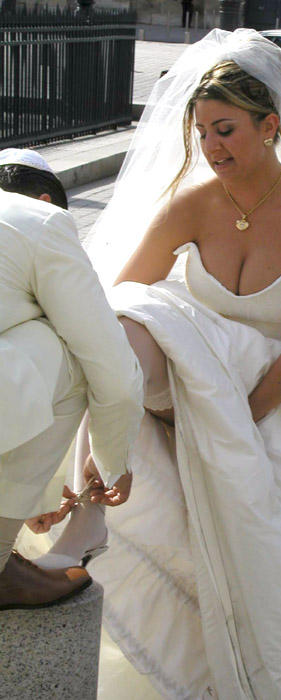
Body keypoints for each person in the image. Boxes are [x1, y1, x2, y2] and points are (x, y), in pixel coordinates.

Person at [41, 30, 281, 699]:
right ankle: (90, 500)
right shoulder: (192, 202)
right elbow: (118, 301)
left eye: (226, 130)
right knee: (127, 320)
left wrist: (236, 418)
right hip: (199, 379)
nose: (211, 148)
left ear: (270, 127)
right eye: (201, 132)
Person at [0, 148, 145, 610]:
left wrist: (38, 492)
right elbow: (113, 371)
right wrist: (113, 461)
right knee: (70, 352)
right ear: (47, 200)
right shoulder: (41, 221)